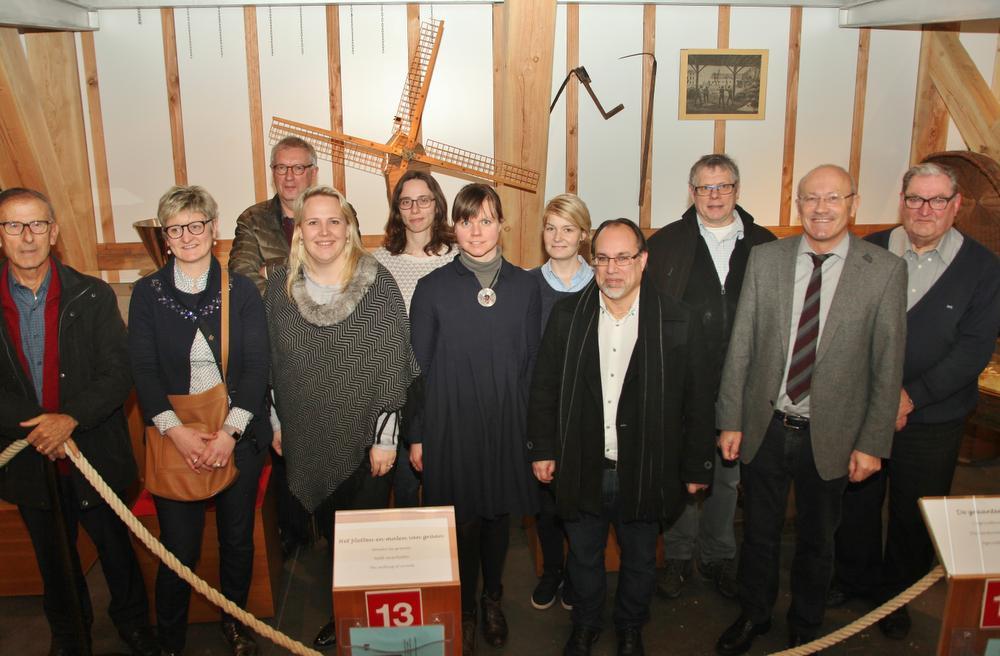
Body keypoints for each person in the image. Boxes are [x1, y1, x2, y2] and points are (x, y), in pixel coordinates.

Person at [713, 165, 907, 654]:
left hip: (834, 433)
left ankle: (805, 623)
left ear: (853, 204)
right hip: (766, 426)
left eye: (832, 198)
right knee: (758, 535)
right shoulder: (766, 259)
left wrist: (872, 442)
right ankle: (754, 614)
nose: (821, 208)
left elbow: (888, 365)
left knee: (818, 541)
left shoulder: (883, 270)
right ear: (797, 205)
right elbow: (742, 345)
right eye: (810, 199)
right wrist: (730, 418)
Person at [528, 218, 716, 656]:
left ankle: (631, 626)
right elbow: (544, 388)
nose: (613, 269)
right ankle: (586, 624)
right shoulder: (567, 315)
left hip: (648, 465)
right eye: (604, 258)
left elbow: (698, 401)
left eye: (624, 258)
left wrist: (695, 466)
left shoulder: (678, 320)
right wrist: (542, 448)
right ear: (594, 262)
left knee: (639, 559)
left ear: (643, 261)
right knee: (585, 557)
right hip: (581, 463)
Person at [832, 162, 1000, 638]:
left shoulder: (983, 268)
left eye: (937, 200)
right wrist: (874, 396)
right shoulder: (868, 250)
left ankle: (896, 596)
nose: (924, 210)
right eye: (914, 199)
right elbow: (844, 325)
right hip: (864, 406)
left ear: (956, 205)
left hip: (934, 415)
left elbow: (973, 348)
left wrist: (910, 398)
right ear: (901, 200)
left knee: (914, 509)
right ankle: (854, 578)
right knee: (858, 497)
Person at [0, 188, 158, 656]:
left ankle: (133, 625)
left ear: (54, 232)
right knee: (54, 559)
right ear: (0, 235)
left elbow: (118, 371)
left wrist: (68, 419)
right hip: (30, 458)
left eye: (37, 225)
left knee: (116, 551)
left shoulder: (92, 294)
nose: (27, 237)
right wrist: (41, 427)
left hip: (93, 451)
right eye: (14, 225)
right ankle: (70, 635)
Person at [265, 185, 419, 649]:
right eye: (313, 222)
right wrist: (278, 425)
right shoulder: (279, 288)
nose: (324, 231)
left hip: (370, 437)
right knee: (333, 536)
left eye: (335, 221)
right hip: (307, 435)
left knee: (365, 539)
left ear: (349, 227)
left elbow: (393, 365)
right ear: (299, 231)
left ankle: (371, 622)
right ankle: (345, 615)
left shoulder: (376, 283)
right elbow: (275, 365)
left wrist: (386, 440)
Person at [129, 185, 270, 656]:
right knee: (178, 549)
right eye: (176, 228)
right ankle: (169, 639)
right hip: (174, 437)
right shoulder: (147, 294)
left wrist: (230, 433)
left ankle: (236, 623)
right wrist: (177, 433)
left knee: (236, 541)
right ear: (165, 237)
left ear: (213, 230)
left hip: (237, 435)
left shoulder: (242, 289)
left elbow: (256, 367)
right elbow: (143, 372)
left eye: (196, 224)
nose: (187, 235)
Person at [409, 183, 541, 655]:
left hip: (508, 422)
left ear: (502, 224)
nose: (477, 230)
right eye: (467, 221)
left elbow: (534, 365)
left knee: (497, 516)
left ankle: (492, 599)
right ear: (454, 227)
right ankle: (463, 607)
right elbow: (416, 370)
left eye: (486, 220)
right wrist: (418, 435)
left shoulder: (527, 286)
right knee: (461, 520)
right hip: (451, 424)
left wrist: (535, 436)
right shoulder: (432, 289)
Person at [646, 154, 776, 600]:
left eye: (722, 187)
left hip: (743, 380)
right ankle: (679, 556)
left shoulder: (765, 244)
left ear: (737, 190)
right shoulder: (666, 244)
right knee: (684, 466)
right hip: (684, 380)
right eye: (704, 188)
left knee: (728, 473)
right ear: (692, 192)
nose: (714, 196)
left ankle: (719, 555)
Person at [229, 135, 318, 558]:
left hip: (329, 340)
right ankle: (293, 530)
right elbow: (243, 278)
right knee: (283, 438)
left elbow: (347, 265)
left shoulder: (337, 210)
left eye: (299, 167)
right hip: (275, 343)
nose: (290, 176)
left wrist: (275, 271)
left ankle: (330, 526)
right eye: (282, 167)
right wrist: (304, 279)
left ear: (312, 172)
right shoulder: (252, 220)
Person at [372, 170, 457, 509]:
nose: (416, 209)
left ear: (437, 205)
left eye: (423, 200)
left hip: (445, 385)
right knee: (405, 487)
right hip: (399, 385)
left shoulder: (458, 258)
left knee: (448, 486)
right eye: (406, 202)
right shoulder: (379, 263)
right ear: (397, 210)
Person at [526, 193, 594, 611]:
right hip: (544, 410)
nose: (558, 236)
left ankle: (575, 573)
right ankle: (552, 569)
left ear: (584, 235)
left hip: (589, 413)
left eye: (567, 228)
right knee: (546, 504)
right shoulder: (526, 285)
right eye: (551, 227)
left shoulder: (603, 283)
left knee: (581, 504)